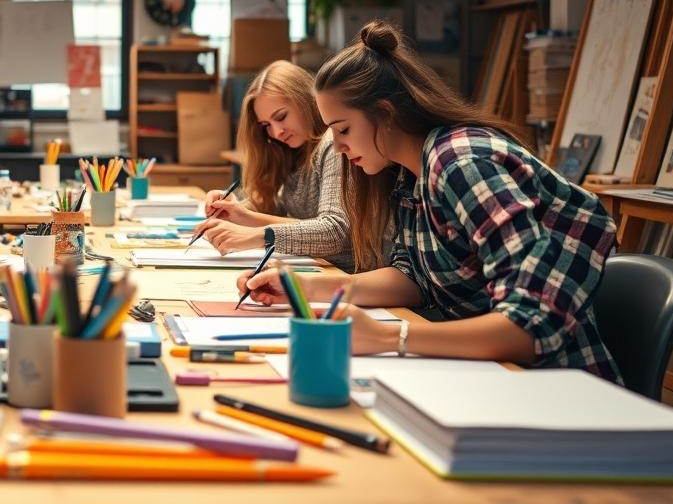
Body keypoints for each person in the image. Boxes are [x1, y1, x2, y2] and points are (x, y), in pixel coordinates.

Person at [237, 21, 621, 381]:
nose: (335, 146)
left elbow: (527, 329)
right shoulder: (410, 171)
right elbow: (412, 279)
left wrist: (390, 338)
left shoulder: (462, 164)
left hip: (552, 384)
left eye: (343, 129)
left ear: (384, 114)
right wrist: (299, 288)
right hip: (486, 372)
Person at [192, 61, 353, 270]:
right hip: (316, 269)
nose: (277, 133)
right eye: (266, 125)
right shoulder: (291, 151)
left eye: (281, 117)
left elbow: (334, 232)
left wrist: (255, 232)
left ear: (306, 100)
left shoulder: (333, 145)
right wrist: (235, 210)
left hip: (344, 276)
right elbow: (276, 208)